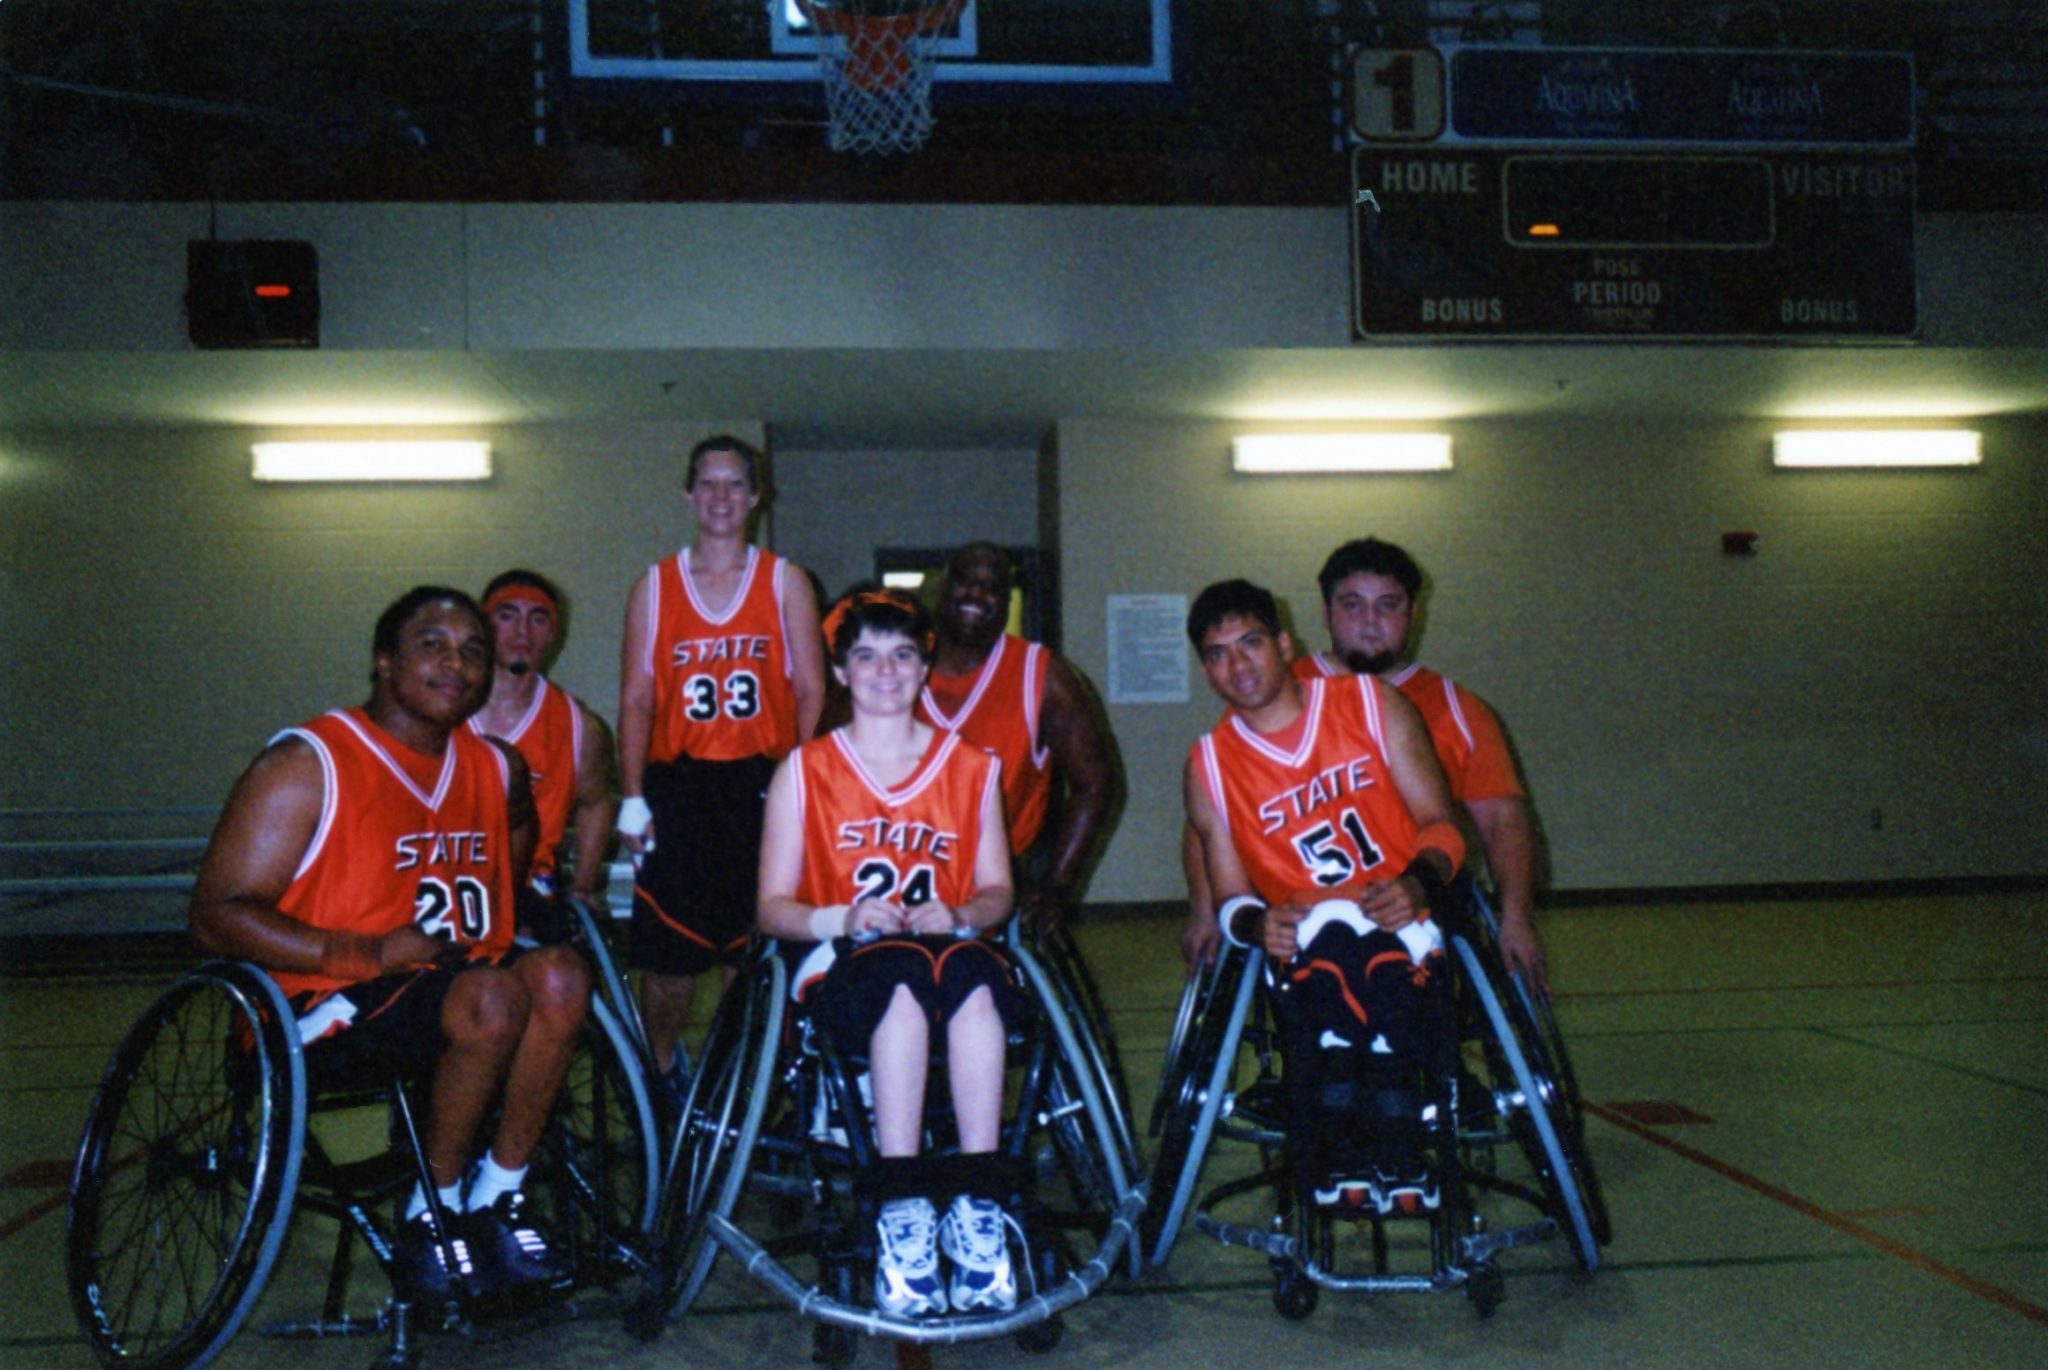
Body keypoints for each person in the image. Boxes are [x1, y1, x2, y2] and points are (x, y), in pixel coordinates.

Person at [187, 586, 591, 1301]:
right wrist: (365, 954)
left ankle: (497, 1196)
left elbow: (521, 826)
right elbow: (215, 916)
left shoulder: (496, 767)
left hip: (454, 992)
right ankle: (429, 1213)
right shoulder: (309, 762)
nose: (456, 664)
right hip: (323, 1003)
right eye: (432, 645)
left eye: (472, 651)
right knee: (493, 997)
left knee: (559, 974)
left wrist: (513, 888)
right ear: (383, 662)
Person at [757, 590, 1019, 1317]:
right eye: (866, 656)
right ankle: (902, 1212)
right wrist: (842, 915)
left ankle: (976, 1209)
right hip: (844, 963)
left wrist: (964, 913)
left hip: (949, 958)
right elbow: (771, 908)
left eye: (902, 654)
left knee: (970, 976)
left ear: (923, 666)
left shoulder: (971, 766)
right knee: (902, 979)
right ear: (840, 671)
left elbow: (999, 890)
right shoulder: (804, 771)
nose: (885, 671)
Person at [1180, 579, 1465, 1212]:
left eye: (1251, 643)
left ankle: (1385, 1126)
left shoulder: (1370, 703)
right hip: (1308, 939)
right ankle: (1360, 1131)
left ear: (1285, 644)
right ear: (1207, 670)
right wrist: (1258, 925)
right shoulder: (1209, 765)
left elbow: (1443, 826)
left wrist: (1416, 882)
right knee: (1330, 946)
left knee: (1371, 953)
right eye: (1218, 653)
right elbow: (1230, 896)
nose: (1239, 665)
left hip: (1402, 911)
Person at [616, 435, 825, 1104]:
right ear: (688, 494)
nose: (721, 497)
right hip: (679, 784)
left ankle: (735, 1076)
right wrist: (631, 797)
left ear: (756, 496)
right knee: (669, 954)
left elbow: (812, 689)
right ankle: (663, 1065)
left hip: (760, 780)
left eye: (735, 484)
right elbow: (638, 697)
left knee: (750, 946)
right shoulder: (655, 585)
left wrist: (801, 782)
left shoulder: (784, 580)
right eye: (708, 483)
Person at [1295, 538, 1548, 991]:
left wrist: (1515, 919)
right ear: (1326, 611)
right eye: (1353, 605)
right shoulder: (1281, 694)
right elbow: (1216, 810)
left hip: (1417, 896)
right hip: (1302, 899)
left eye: (1387, 606)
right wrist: (1209, 912)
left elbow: (1502, 820)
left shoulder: (1460, 710)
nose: (1370, 622)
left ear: (1413, 612)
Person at [918, 542, 1115, 932]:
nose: (976, 594)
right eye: (965, 581)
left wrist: (1057, 885)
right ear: (942, 588)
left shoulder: (1043, 676)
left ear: (1008, 603)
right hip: (900, 872)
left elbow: (1095, 783)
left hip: (995, 885)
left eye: (992, 588)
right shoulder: (897, 663)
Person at [469, 570, 619, 936]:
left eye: (538, 619)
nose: (523, 632)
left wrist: (582, 885)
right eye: (507, 616)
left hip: (529, 892)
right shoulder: (441, 711)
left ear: (553, 633)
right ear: (482, 626)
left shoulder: (578, 726)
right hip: (447, 882)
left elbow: (598, 802)